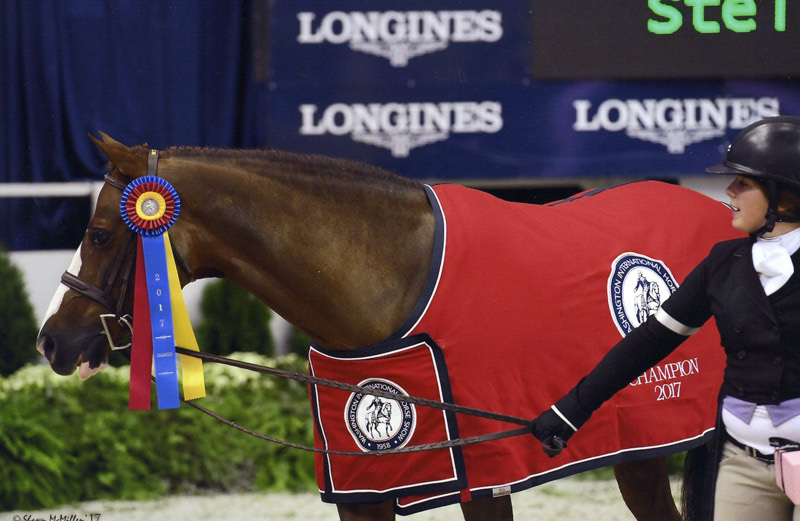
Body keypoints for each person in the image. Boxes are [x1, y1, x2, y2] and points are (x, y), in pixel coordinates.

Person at [531, 116, 800, 521]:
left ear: (785, 196)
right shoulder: (722, 263)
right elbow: (649, 342)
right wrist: (572, 410)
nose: (729, 191)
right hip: (742, 461)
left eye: (744, 183)